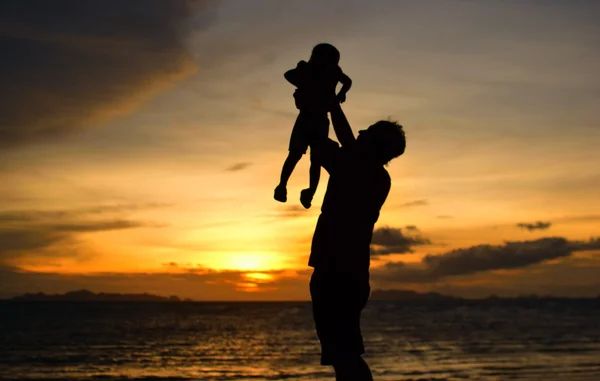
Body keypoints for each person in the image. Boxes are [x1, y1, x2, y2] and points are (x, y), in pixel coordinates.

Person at [308, 101, 406, 381]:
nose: (360, 132)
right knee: (343, 356)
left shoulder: (362, 172)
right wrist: (327, 105)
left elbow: (339, 141)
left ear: (374, 145)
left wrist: (328, 104)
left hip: (339, 275)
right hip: (345, 274)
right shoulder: (368, 172)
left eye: (368, 131)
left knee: (345, 356)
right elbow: (340, 141)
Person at [274, 43, 352, 209]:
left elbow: (347, 82)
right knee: (297, 154)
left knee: (314, 158)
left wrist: (339, 95)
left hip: (317, 119)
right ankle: (283, 186)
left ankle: (307, 191)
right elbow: (288, 75)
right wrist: (305, 83)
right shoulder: (310, 70)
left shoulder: (330, 72)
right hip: (308, 118)